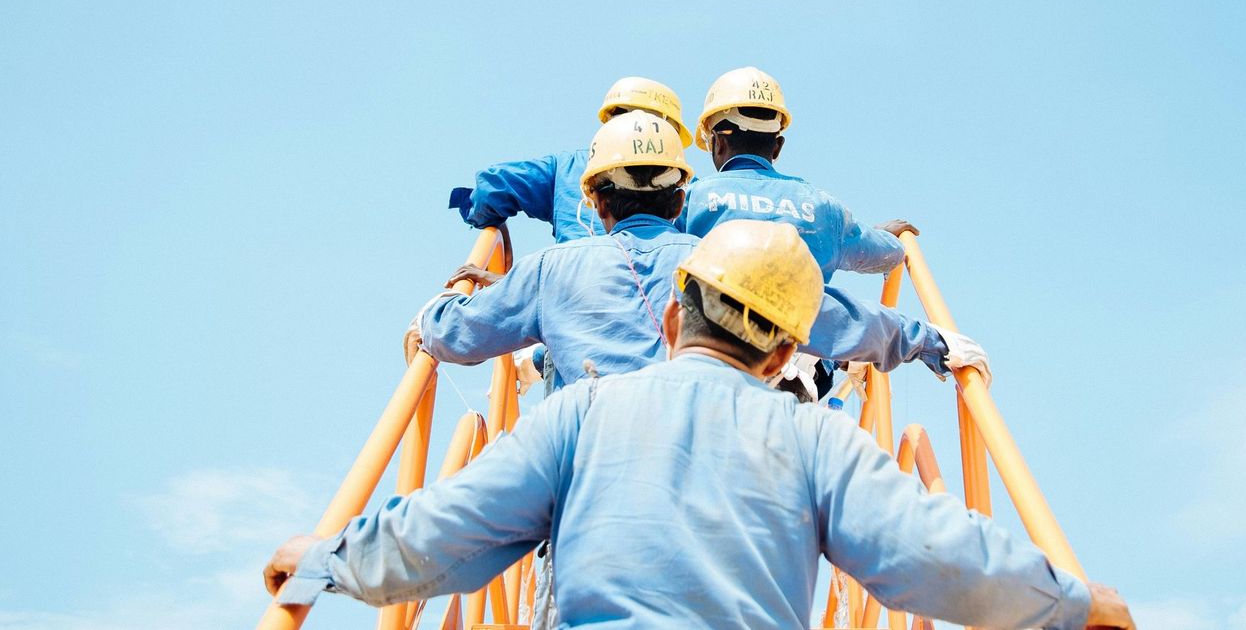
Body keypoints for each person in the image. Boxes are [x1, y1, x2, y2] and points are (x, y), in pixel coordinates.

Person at [265, 220, 1134, 630]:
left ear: (674, 317)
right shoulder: (818, 438)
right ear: (783, 353)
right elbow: (930, 552)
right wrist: (1070, 602)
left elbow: (443, 535)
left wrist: (317, 566)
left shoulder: (578, 415)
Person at [406, 112, 990, 392]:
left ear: (596, 198)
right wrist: (930, 341)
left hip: (586, 494)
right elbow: (834, 316)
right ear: (680, 190)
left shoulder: (549, 271)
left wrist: (442, 306)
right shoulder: (726, 263)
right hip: (707, 485)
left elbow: (455, 336)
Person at [683, 66, 913, 282]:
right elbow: (885, 254)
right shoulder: (822, 207)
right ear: (777, 146)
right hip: (803, 324)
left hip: (711, 323)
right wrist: (885, 236)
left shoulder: (692, 199)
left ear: (719, 143)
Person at [448, 76, 693, 243]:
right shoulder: (686, 187)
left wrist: (492, 223)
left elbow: (492, 188)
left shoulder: (565, 169)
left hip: (568, 295)